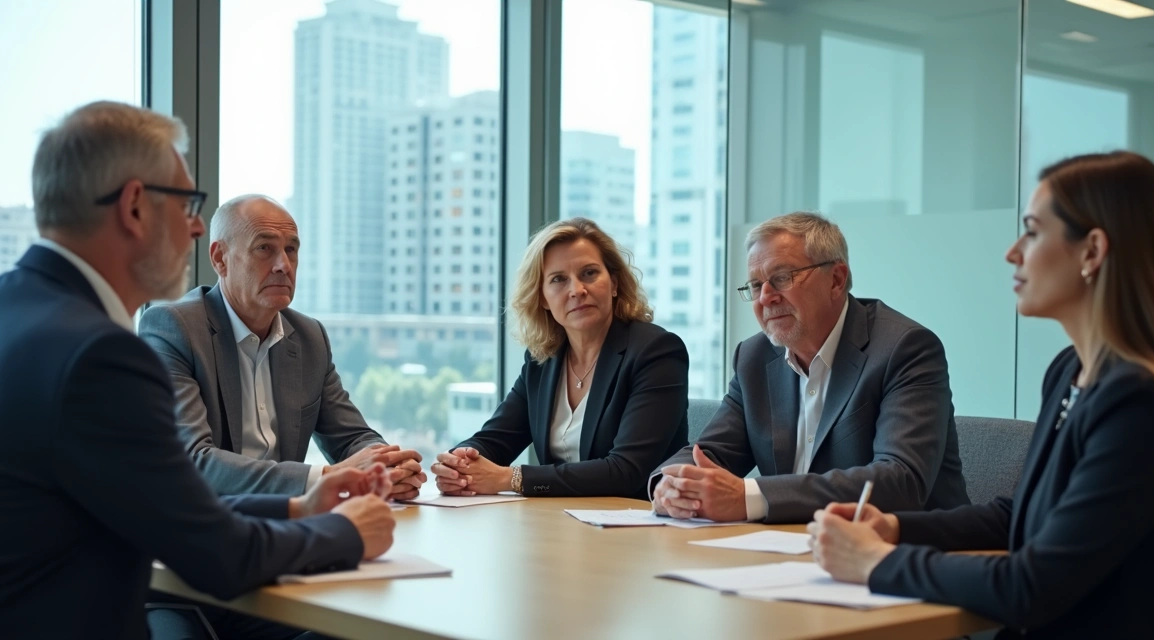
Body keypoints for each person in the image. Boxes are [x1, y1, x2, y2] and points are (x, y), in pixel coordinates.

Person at [0, 101, 395, 639]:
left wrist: (298, 507)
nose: (192, 228)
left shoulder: (17, 313)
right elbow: (212, 550)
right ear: (135, 206)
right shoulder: (99, 355)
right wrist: (344, 532)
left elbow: (158, 502)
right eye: (187, 204)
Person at [809, 151, 1154, 638]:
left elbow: (1033, 585)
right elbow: (1019, 516)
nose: (1012, 252)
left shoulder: (1144, 401)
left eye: (1032, 230)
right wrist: (896, 529)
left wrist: (877, 563)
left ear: (1092, 252)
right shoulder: (1072, 371)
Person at [651, 212, 969, 524]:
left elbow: (899, 481)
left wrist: (748, 497)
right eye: (756, 285)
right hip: (791, 550)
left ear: (836, 279)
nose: (766, 298)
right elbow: (708, 455)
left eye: (782, 278)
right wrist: (669, 486)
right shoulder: (754, 357)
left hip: (909, 555)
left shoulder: (904, 348)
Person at [140, 194, 426, 500]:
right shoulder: (173, 328)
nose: (283, 265)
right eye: (265, 248)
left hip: (288, 524)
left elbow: (351, 436)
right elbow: (194, 461)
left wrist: (387, 466)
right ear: (220, 259)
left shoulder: (308, 336)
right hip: (208, 528)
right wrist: (328, 477)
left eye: (291, 250)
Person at [429, 218, 689, 500]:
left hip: (638, 529)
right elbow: (495, 439)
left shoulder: (656, 352)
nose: (577, 290)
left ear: (614, 283)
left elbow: (626, 471)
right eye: (558, 279)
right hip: (560, 525)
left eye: (589, 273)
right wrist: (457, 464)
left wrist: (511, 478)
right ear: (542, 298)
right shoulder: (543, 360)